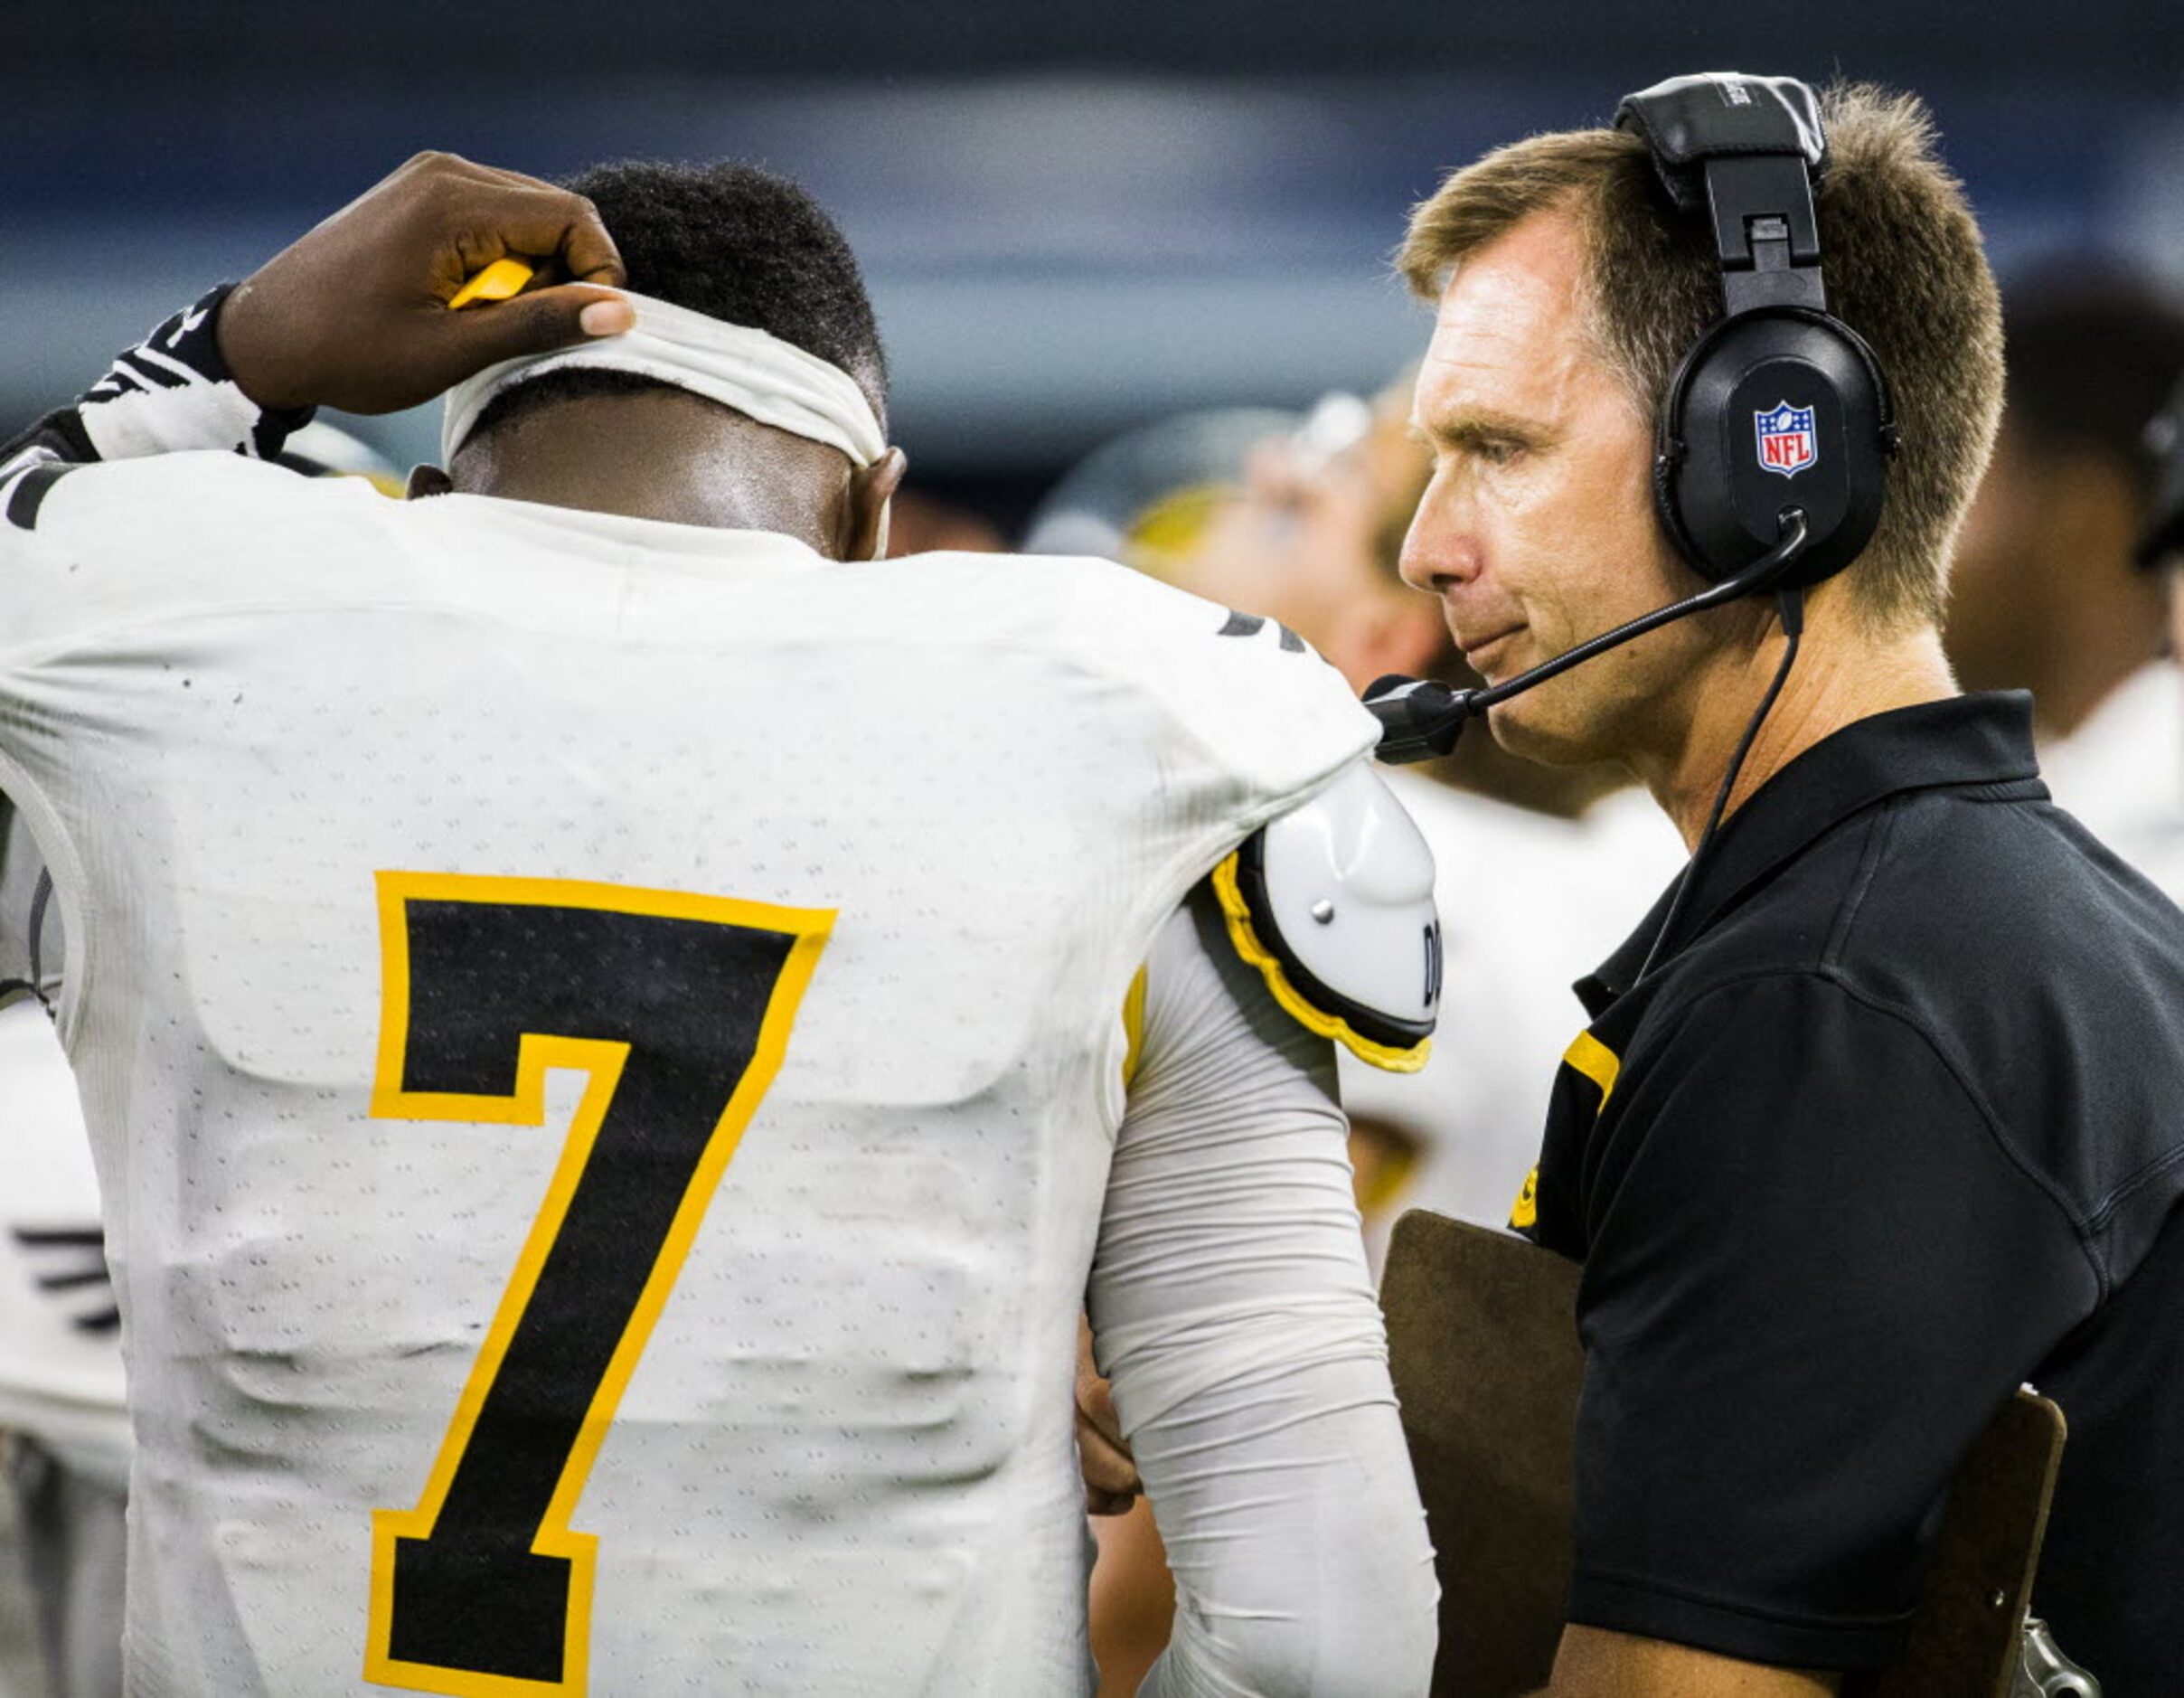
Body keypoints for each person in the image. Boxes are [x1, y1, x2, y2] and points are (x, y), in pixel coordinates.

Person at [0, 153, 1437, 1695]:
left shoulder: (133, 642)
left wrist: (240, 348)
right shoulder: (1153, 716)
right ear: (878, 517)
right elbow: (1322, 1635)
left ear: (430, 494)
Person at [1384, 73, 2184, 1694]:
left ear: (1770, 458)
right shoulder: (1941, 925)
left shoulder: (1830, 1007)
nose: (1427, 547)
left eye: (1498, 448)